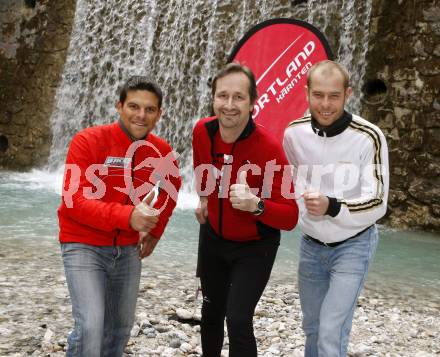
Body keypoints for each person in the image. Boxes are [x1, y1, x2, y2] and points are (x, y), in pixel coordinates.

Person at [58, 76, 181, 356]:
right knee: (90, 327)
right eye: (134, 106)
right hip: (83, 245)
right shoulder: (88, 140)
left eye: (150, 109)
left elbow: (173, 186)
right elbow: (73, 200)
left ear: (159, 114)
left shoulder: (161, 151)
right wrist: (129, 217)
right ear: (119, 106)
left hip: (127, 250)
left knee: (120, 329)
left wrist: (155, 230)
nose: (141, 115)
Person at [283, 60, 389, 357]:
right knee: (313, 327)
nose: (325, 104)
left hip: (354, 245)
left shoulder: (369, 136)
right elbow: (288, 184)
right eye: (318, 95)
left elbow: (378, 201)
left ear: (348, 94)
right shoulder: (293, 134)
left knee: (331, 330)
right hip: (310, 245)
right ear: (306, 93)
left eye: (334, 96)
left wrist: (333, 206)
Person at [192, 63, 299, 357]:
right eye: (222, 96)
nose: (229, 105)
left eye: (238, 97)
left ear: (253, 102)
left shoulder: (269, 148)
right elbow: (202, 170)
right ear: (213, 99)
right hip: (213, 237)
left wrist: (257, 205)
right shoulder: (202, 131)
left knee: (238, 319)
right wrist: (204, 201)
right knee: (211, 311)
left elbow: (291, 217)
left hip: (255, 246)